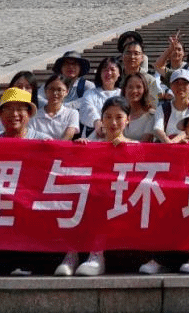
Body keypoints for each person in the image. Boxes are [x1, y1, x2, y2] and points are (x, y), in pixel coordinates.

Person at [139, 105, 189, 276]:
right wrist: (178, 153)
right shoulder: (177, 147)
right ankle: (162, 259)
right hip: (182, 199)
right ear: (185, 129)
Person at [58, 97, 135, 277]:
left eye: (119, 117)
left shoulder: (136, 146)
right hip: (93, 195)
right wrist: (79, 151)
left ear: (128, 120)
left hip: (122, 198)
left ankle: (96, 254)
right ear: (101, 119)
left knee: (100, 200)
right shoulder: (92, 145)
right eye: (108, 117)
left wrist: (126, 150)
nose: (113, 123)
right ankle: (72, 253)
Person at [0, 70, 41, 136]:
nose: (15, 114)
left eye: (20, 109)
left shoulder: (41, 138)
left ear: (29, 113)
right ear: (0, 114)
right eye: (8, 109)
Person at [80, 57, 122, 138]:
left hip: (117, 137)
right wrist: (97, 122)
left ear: (119, 73)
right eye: (105, 70)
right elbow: (87, 109)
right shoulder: (90, 93)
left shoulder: (123, 94)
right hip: (92, 138)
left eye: (112, 69)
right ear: (100, 73)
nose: (109, 73)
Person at [30, 73, 80, 140]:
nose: (55, 93)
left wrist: (55, 146)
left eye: (59, 90)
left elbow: (68, 136)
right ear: (45, 91)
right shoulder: (35, 115)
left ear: (66, 92)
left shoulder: (72, 114)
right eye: (51, 89)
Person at [120, 71, 157, 142]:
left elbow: (144, 143)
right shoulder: (119, 113)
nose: (134, 91)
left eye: (138, 87)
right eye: (130, 87)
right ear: (124, 90)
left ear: (144, 90)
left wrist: (124, 141)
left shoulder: (151, 115)